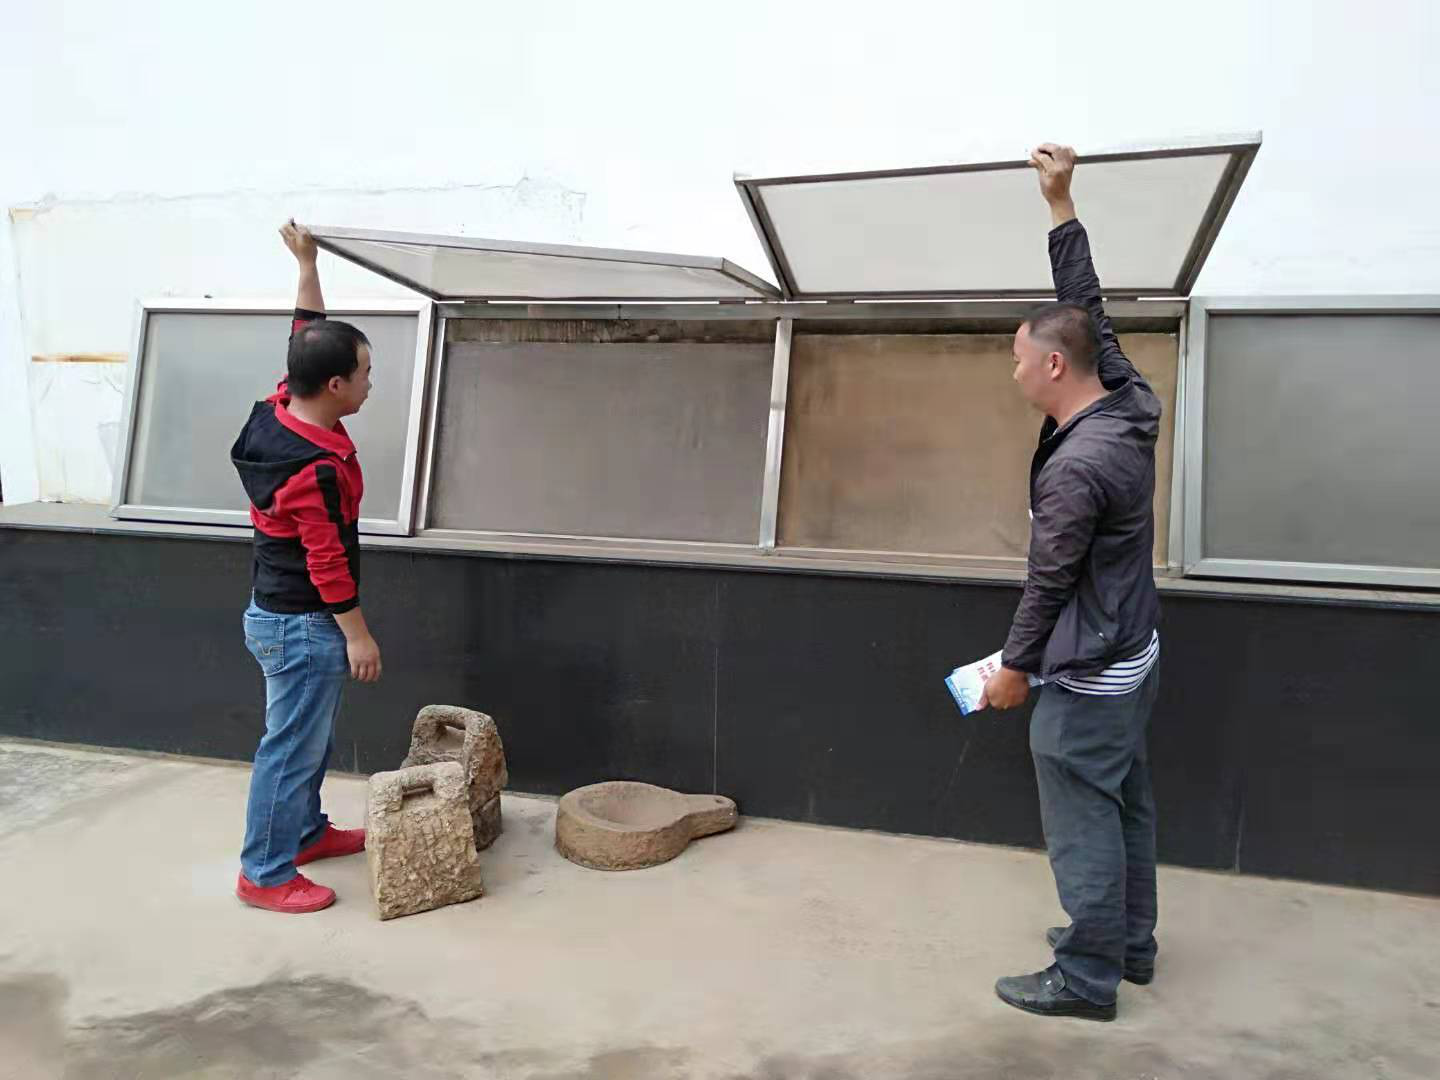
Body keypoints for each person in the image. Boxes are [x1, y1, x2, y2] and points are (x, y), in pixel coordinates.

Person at [979, 145, 1163, 1021]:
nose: (1013, 368)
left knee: (1083, 813)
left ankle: (1087, 978)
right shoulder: (1125, 398)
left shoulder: (1077, 468)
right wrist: (1061, 205)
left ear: (1054, 367)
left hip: (1090, 673)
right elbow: (1086, 310)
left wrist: (1015, 669)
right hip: (1134, 650)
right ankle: (1131, 945)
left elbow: (1048, 582)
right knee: (1124, 800)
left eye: (1019, 357)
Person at [229, 220, 383, 914]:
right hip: (303, 623)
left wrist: (307, 265)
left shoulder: (281, 405)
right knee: (289, 750)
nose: (371, 384)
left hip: (283, 615)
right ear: (335, 384)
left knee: (306, 742)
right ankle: (264, 872)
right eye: (366, 374)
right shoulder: (311, 468)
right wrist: (358, 636)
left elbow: (305, 332)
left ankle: (306, 833)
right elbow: (327, 563)